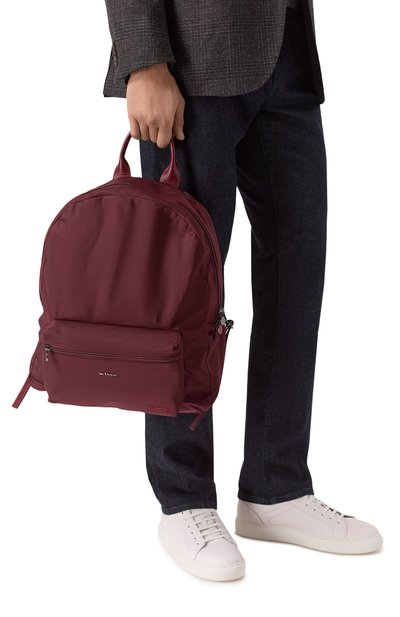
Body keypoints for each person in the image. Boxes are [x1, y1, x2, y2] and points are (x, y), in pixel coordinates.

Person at [103, 0, 383, 581]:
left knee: (298, 280)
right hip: (192, 61)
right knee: (185, 294)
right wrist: (144, 61)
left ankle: (275, 487)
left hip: (288, 54)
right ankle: (183, 497)